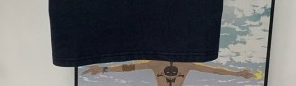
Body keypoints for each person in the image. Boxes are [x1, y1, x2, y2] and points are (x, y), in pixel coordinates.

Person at [82, 60, 255, 85]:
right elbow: (129, 68)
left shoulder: (187, 64)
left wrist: (238, 74)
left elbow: (214, 70)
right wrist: (103, 69)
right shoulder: (156, 63)